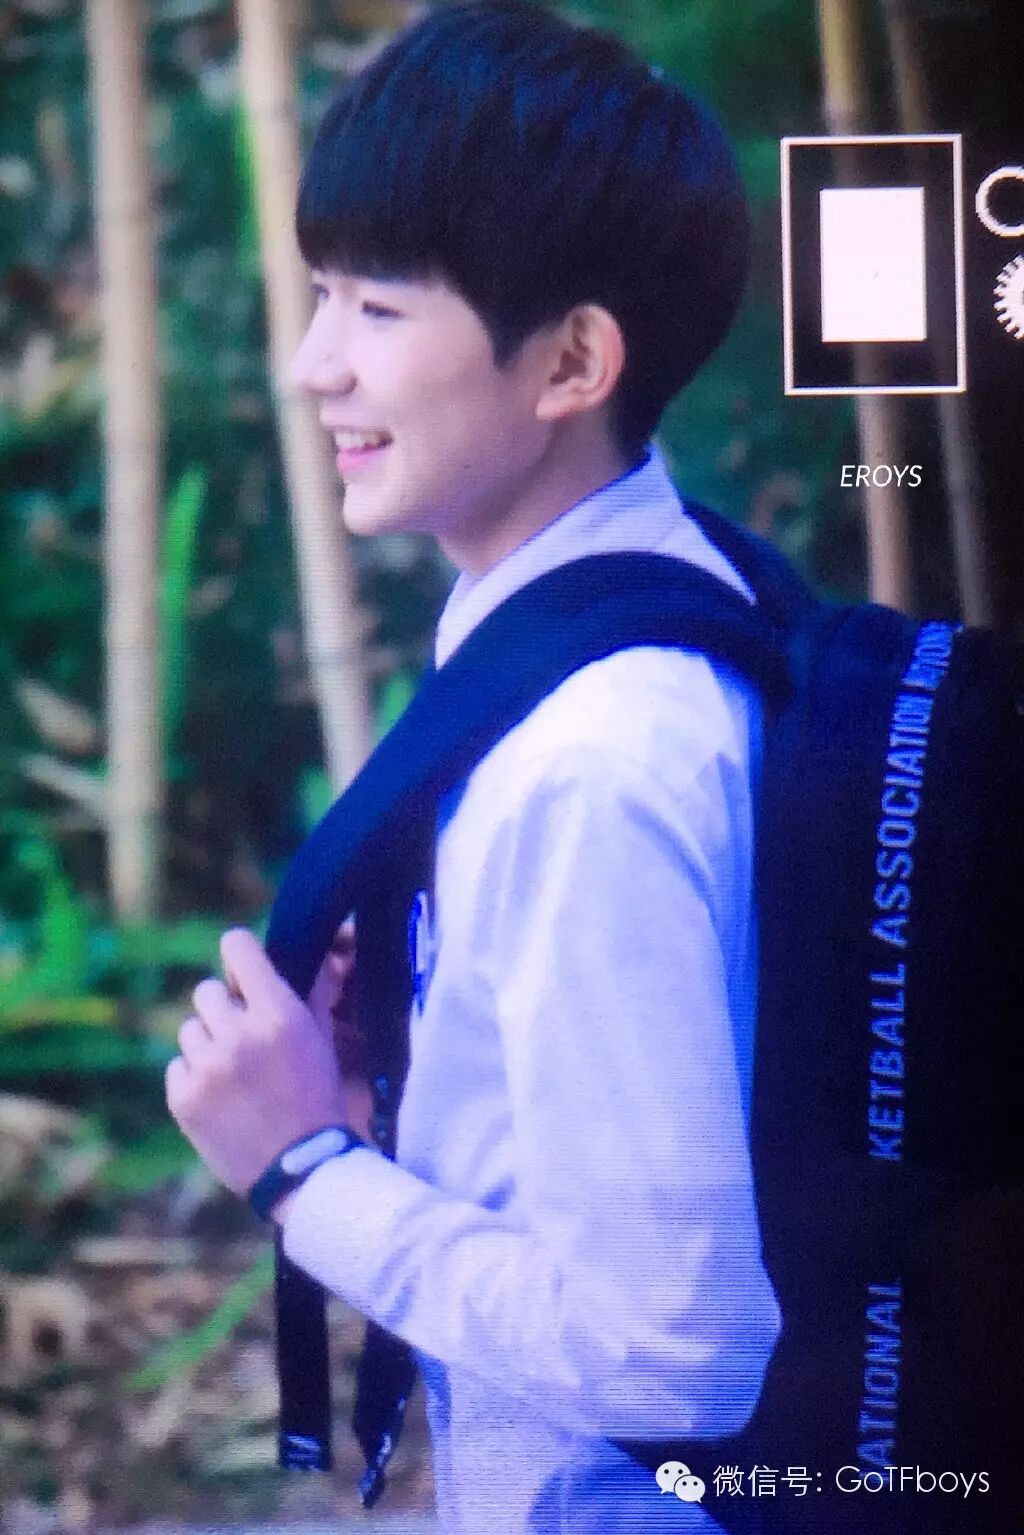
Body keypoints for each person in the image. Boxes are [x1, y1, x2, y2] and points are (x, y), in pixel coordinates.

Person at [166, 3, 782, 1530]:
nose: (314, 365)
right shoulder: (668, 602)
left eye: (378, 308)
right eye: (323, 295)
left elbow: (676, 1352)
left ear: (572, 360)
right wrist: (399, 1087)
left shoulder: (594, 760)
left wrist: (303, 1168)